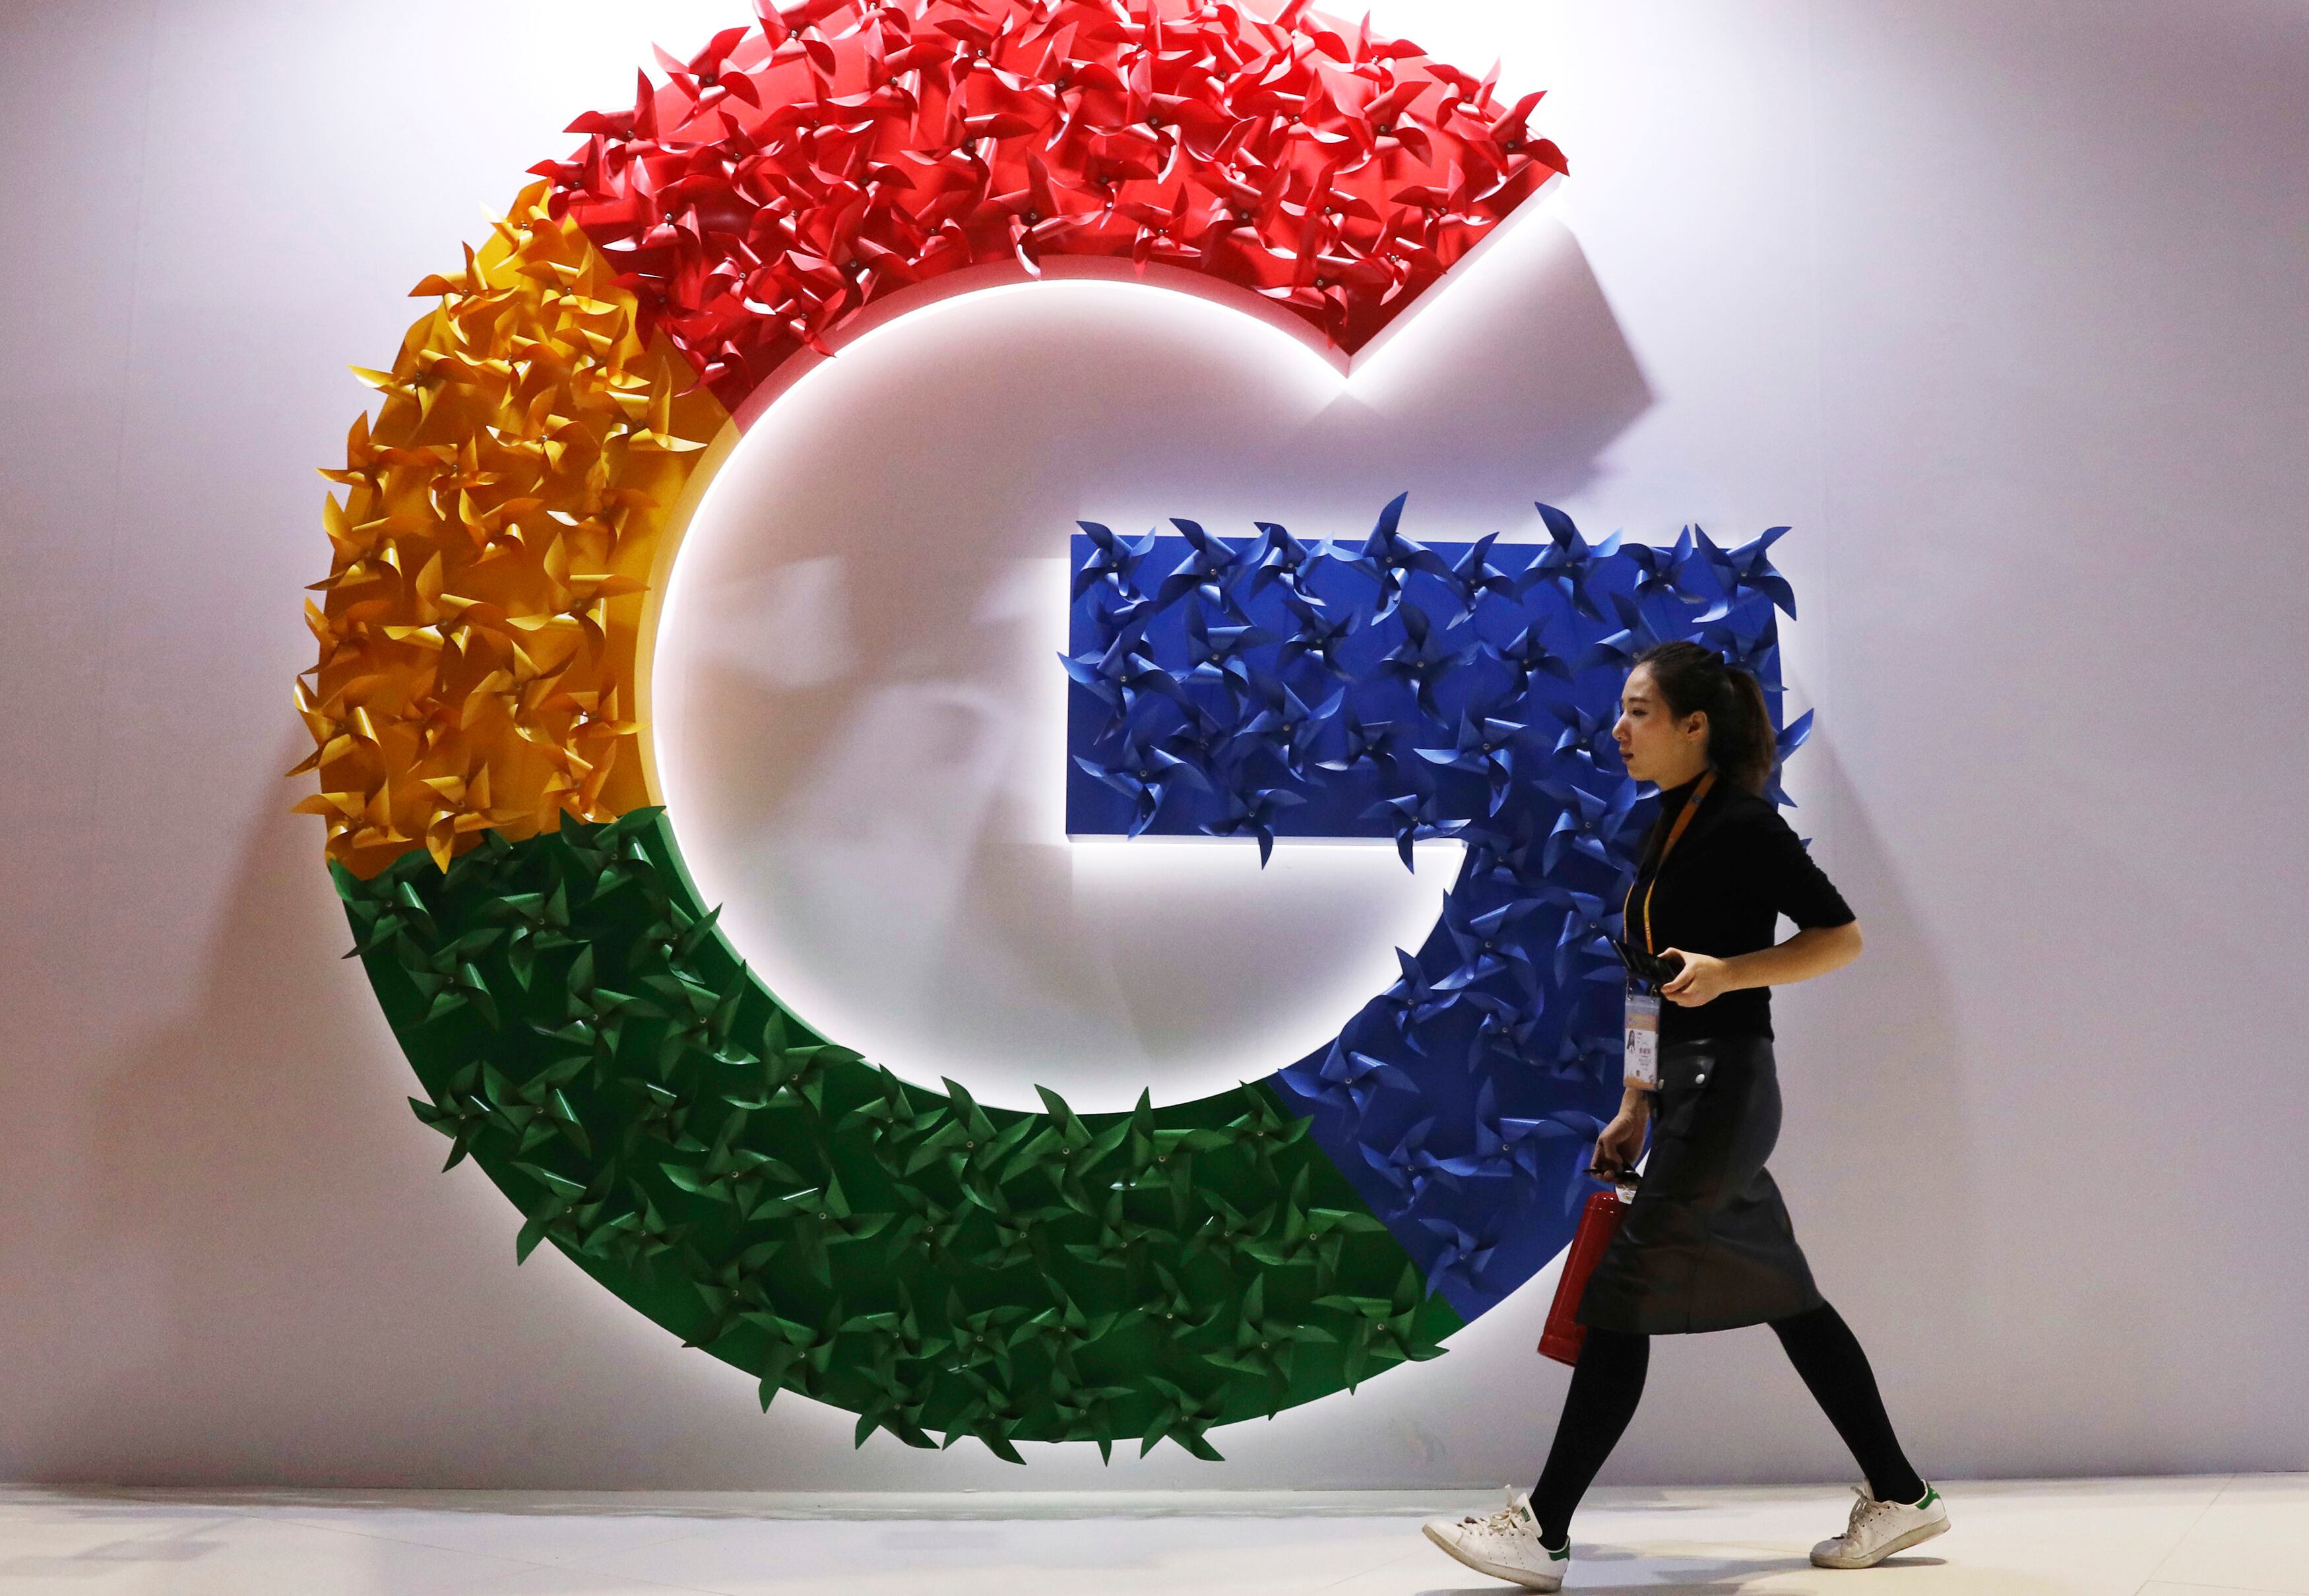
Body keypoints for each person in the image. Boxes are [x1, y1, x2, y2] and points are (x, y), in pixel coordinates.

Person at [1421, 640, 1947, 1592]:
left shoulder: (1745, 823)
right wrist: (1633, 1100)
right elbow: (1645, 983)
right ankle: (1903, 1494)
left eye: (1639, 712)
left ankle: (1541, 1531)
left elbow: (1842, 937)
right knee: (1790, 1299)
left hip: (1731, 1086)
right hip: (1689, 1094)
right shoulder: (1660, 829)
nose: (1618, 730)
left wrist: (1735, 972)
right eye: (1622, 712)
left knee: (1619, 1298)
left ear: (1695, 727)